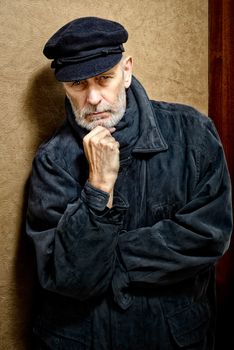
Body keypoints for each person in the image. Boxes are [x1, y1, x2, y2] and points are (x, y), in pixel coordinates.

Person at [26, 16, 233, 350]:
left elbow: (208, 236)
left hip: (172, 338)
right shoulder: (53, 161)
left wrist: (110, 259)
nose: (92, 98)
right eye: (77, 85)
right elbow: (68, 278)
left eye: (103, 78)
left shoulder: (192, 132)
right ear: (63, 86)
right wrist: (98, 187)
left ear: (126, 71)